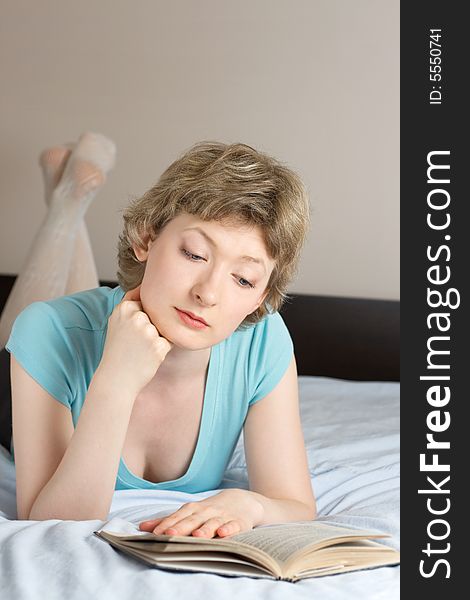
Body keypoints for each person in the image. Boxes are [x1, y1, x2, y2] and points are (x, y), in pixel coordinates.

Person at [0, 133, 316, 539]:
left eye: (243, 278)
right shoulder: (46, 330)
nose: (208, 293)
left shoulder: (262, 342)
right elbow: (53, 522)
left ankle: (64, 192)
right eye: (194, 255)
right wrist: (115, 381)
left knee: (71, 295)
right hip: (15, 394)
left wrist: (250, 504)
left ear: (260, 298)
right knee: (44, 306)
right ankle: (65, 201)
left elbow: (294, 504)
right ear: (146, 238)